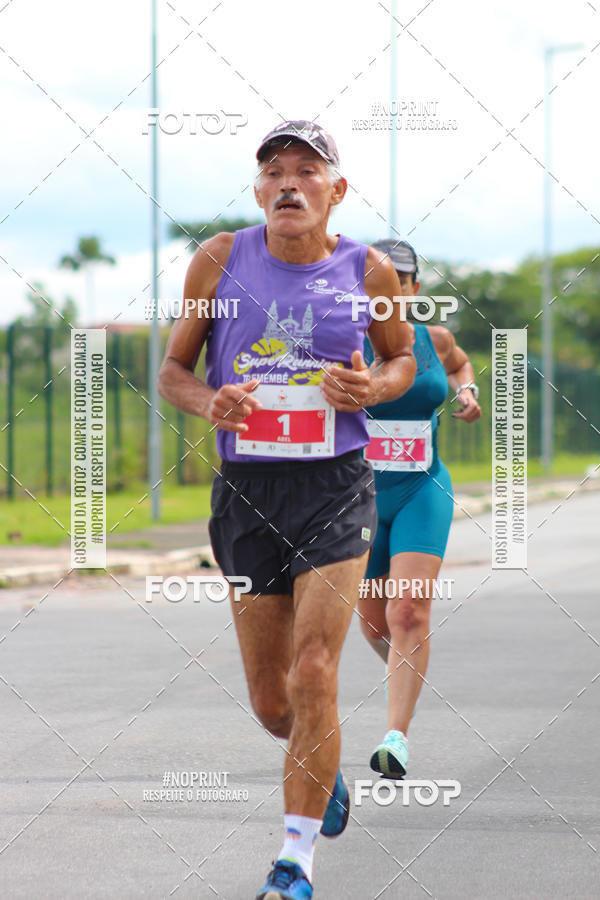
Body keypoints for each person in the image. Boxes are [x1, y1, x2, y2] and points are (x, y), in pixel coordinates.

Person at [157, 122, 415, 900]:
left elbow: (401, 360)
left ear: (337, 191)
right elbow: (173, 370)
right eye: (274, 171)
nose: (289, 183)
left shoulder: (367, 268)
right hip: (246, 492)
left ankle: (293, 863)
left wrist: (373, 387)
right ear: (260, 191)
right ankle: (322, 769)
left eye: (308, 170)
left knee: (314, 672)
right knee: (276, 704)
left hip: (336, 485)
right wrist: (211, 402)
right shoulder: (219, 260)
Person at [359, 239, 481, 779]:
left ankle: (395, 739)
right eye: (375, 282)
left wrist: (467, 393)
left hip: (421, 490)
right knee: (374, 623)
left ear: (412, 289)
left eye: (399, 281)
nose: (387, 291)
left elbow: (460, 365)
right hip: (355, 501)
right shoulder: (340, 343)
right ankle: (410, 670)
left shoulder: (436, 339)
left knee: (407, 611)